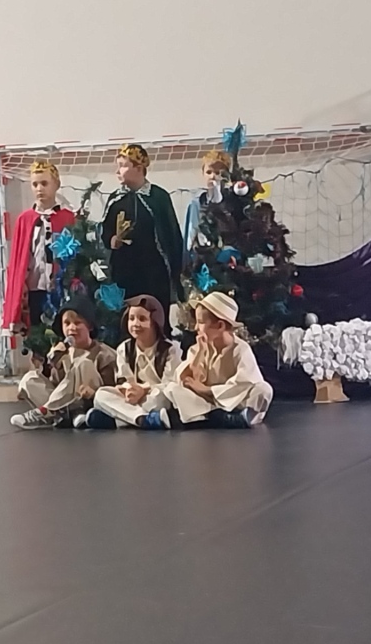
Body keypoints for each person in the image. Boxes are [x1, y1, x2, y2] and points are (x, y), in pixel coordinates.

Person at [100, 144, 184, 332]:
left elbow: (171, 234)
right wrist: (113, 240)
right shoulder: (116, 199)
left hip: (155, 273)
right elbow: (105, 230)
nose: (117, 171)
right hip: (125, 272)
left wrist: (176, 271)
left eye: (123, 165)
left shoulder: (158, 197)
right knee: (128, 321)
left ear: (139, 168)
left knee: (156, 320)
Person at [165, 291, 273, 428]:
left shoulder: (240, 349)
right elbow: (188, 380)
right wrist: (200, 353)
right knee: (173, 388)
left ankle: (237, 417)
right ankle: (214, 416)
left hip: (232, 400)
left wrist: (208, 390)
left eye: (201, 322)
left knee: (263, 390)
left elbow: (244, 382)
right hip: (207, 401)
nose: (196, 327)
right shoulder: (197, 348)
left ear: (220, 326)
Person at [10, 295, 116, 430]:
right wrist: (56, 363)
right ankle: (67, 415)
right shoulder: (64, 351)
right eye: (67, 323)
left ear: (89, 326)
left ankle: (47, 411)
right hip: (65, 403)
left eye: (77, 323)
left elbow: (110, 388)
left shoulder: (105, 353)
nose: (72, 328)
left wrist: (93, 392)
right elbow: (57, 386)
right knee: (29, 379)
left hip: (91, 401)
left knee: (83, 363)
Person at [85, 294, 181, 430]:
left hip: (153, 395)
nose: (136, 324)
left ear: (155, 322)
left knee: (162, 398)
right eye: (131, 318)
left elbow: (169, 383)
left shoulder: (170, 349)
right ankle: (143, 419)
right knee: (101, 395)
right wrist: (129, 390)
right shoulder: (124, 348)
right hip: (134, 397)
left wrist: (144, 390)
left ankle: (118, 420)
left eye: (142, 319)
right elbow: (124, 380)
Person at [1, 160, 75, 336]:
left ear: (56, 184)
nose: (39, 189)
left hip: (60, 286)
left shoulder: (67, 217)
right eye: (35, 184)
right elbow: (19, 257)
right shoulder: (25, 219)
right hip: (35, 287)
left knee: (61, 331)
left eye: (44, 183)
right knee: (36, 333)